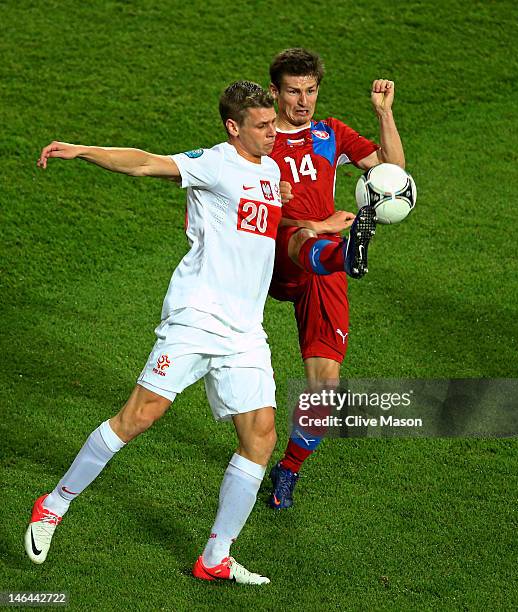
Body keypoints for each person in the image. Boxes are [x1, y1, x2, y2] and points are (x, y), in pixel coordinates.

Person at [25, 81, 282, 585]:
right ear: (234, 128)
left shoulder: (270, 170)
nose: (274, 133)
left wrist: (319, 229)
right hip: (198, 318)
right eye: (263, 126)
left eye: (273, 123)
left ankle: (215, 557)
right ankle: (52, 505)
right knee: (141, 415)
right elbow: (144, 162)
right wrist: (83, 151)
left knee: (261, 438)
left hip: (245, 331)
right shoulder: (213, 163)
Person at [266, 48, 406, 509]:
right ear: (275, 92)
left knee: (324, 389)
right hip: (270, 256)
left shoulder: (330, 132)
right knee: (308, 233)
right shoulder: (258, 138)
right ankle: (340, 251)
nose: (302, 101)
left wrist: (384, 114)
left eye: (310, 90)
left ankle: (288, 469)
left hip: (320, 267)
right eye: (292, 91)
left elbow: (392, 173)